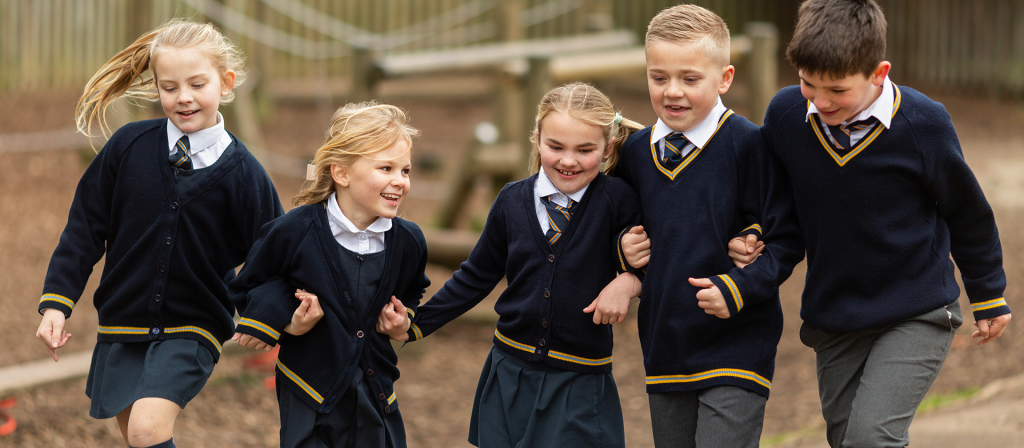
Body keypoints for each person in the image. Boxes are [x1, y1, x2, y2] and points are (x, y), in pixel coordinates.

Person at [735, 0, 1012, 446]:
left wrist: (988, 294)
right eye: (808, 84)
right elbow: (767, 196)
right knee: (846, 438)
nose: (821, 101)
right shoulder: (786, 116)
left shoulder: (924, 123)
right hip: (836, 314)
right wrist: (753, 231)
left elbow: (967, 211)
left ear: (879, 74)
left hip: (917, 309)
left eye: (837, 91)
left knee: (870, 438)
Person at [33, 20, 291, 448]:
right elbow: (84, 226)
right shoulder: (128, 146)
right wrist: (57, 303)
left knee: (147, 430)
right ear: (156, 88)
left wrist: (266, 314)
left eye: (197, 84)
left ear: (226, 83)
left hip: (194, 325)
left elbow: (272, 256)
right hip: (120, 322)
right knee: (137, 436)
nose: (183, 97)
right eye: (170, 87)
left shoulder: (245, 175)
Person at [392, 82, 643, 448]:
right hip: (510, 372)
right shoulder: (511, 201)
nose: (568, 160)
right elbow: (475, 277)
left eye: (585, 149)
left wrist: (630, 281)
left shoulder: (620, 201)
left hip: (580, 379)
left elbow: (662, 261)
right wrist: (416, 326)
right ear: (537, 140)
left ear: (607, 149)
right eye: (555, 147)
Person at [616, 5, 804, 448]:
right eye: (658, 77)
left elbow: (788, 235)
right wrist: (623, 248)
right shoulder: (635, 155)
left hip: (738, 343)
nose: (672, 92)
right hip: (665, 342)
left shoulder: (750, 144)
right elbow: (617, 222)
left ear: (725, 78)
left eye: (690, 79)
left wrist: (739, 285)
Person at [228, 102, 430, 448]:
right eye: (386, 168)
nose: (400, 181)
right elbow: (249, 284)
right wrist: (286, 322)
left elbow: (413, 289)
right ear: (342, 173)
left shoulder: (409, 242)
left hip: (377, 394)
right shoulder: (295, 231)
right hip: (309, 394)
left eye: (405, 170)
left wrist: (403, 321)